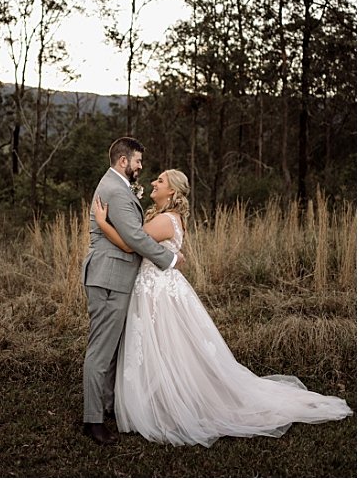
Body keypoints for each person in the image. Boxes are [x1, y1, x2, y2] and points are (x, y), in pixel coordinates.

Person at [92, 169, 352, 446]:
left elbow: (132, 244)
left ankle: (168, 400)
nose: (154, 183)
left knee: (163, 346)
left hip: (156, 292)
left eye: (160, 181)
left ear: (172, 192)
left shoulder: (166, 220)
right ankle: (158, 395)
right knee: (166, 347)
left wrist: (102, 222)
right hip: (157, 287)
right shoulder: (169, 218)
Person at [79, 137, 182, 445]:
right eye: (137, 161)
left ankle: (107, 406)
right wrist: (170, 259)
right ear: (123, 161)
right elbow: (134, 238)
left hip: (114, 276)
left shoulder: (117, 187)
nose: (140, 166)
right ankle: (93, 421)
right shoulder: (115, 190)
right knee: (101, 351)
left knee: (111, 349)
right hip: (110, 278)